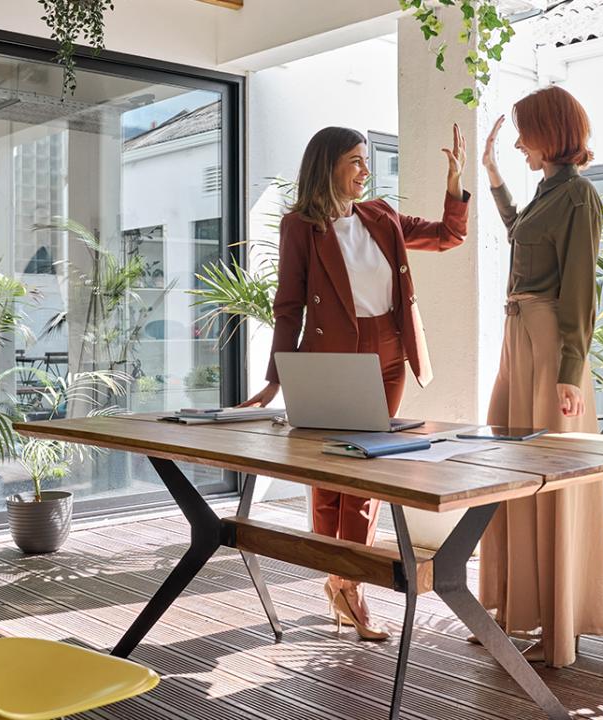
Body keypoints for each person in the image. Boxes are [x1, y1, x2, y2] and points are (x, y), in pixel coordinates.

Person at [241, 125, 469, 640]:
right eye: (355, 161)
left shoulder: (381, 214)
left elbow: (447, 236)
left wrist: (455, 184)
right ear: (328, 166)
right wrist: (276, 378)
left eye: (366, 161)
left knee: (367, 474)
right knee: (330, 478)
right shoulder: (300, 226)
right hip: (331, 358)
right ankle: (341, 578)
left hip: (388, 355)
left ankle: (350, 583)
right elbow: (289, 305)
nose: (366, 170)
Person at [477, 86, 603, 667]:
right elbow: (521, 233)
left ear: (550, 133)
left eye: (524, 134)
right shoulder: (548, 192)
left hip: (550, 348)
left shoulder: (580, 197)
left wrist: (569, 372)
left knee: (551, 479)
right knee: (508, 467)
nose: (517, 144)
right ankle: (515, 610)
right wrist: (490, 174)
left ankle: (562, 629)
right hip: (518, 340)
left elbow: (581, 290)